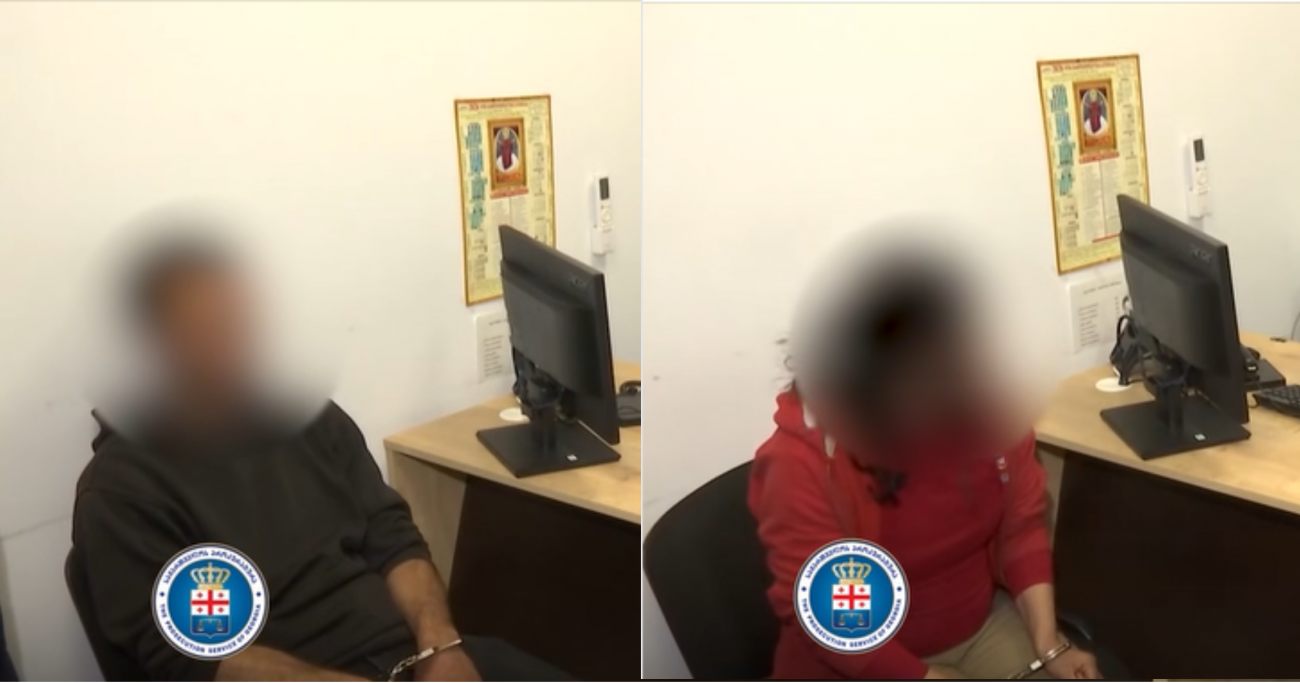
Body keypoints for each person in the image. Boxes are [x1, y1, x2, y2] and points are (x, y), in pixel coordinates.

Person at [71, 232, 565, 681]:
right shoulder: (123, 490)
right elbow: (199, 659)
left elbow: (393, 540)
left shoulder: (308, 420)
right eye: (206, 327)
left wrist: (441, 645)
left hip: (409, 657)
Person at [748, 244, 1101, 680]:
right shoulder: (798, 464)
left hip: (978, 627)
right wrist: (922, 676)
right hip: (858, 660)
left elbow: (1021, 530)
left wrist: (1049, 644)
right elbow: (831, 621)